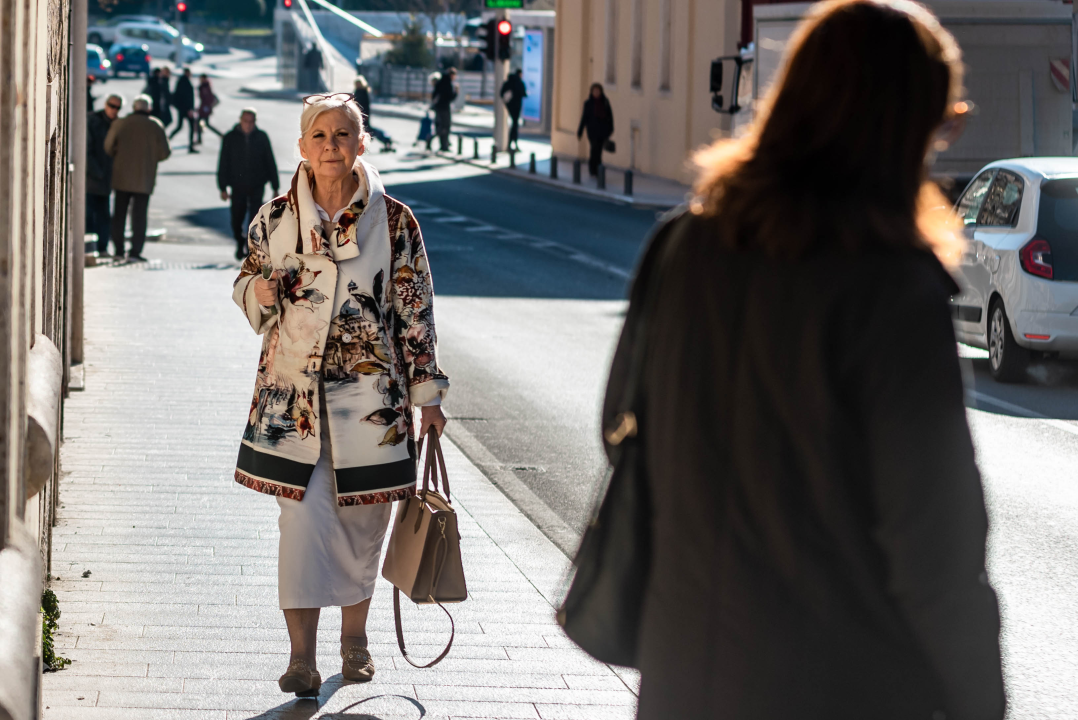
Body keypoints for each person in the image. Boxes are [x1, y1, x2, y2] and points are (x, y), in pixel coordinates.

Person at [606, 1, 1007, 718]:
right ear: (899, 127)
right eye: (942, 123)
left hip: (686, 669)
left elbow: (620, 426)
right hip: (840, 684)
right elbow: (934, 547)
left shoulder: (683, 246)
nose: (940, 144)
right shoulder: (891, 287)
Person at [231, 93, 449, 697]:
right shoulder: (274, 219)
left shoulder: (395, 222)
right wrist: (257, 293)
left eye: (343, 135)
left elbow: (415, 311)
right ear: (302, 147)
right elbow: (247, 277)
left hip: (372, 406)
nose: (332, 147)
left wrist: (429, 395)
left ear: (362, 143)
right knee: (301, 528)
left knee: (361, 526)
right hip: (291, 407)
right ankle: (301, 658)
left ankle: (355, 642)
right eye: (320, 136)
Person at [104, 94, 171, 262]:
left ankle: (118, 250)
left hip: (121, 176)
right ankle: (135, 252)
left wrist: (119, 155)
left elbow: (108, 147)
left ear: (134, 107)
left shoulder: (121, 123)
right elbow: (165, 152)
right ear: (149, 109)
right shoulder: (155, 125)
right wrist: (151, 158)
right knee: (139, 216)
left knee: (119, 214)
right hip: (144, 178)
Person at [217, 108, 279, 262]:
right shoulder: (230, 137)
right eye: (246, 121)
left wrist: (275, 186)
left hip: (257, 184)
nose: (248, 125)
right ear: (240, 120)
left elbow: (270, 161)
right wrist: (222, 187)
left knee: (254, 219)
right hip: (237, 185)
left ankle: (248, 245)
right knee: (236, 218)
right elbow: (223, 162)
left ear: (255, 122)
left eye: (251, 122)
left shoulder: (261, 137)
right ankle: (239, 240)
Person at [86, 94, 123, 257]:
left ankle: (102, 248)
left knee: (103, 216)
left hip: (107, 179)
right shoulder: (93, 121)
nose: (114, 110)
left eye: (117, 108)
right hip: (92, 178)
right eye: (112, 106)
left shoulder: (117, 124)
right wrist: (97, 172)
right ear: (106, 105)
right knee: (89, 215)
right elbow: (87, 150)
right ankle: (90, 249)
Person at [577, 83, 613, 177]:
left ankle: (598, 169)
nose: (596, 93)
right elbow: (584, 118)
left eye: (598, 91)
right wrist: (580, 131)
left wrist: (610, 129)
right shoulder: (588, 103)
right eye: (594, 91)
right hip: (592, 132)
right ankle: (593, 169)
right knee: (594, 149)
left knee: (599, 151)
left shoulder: (605, 102)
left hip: (602, 132)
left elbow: (610, 117)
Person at [352, 75, 393, 152]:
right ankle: (385, 139)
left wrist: (366, 115)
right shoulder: (357, 91)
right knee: (364, 130)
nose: (357, 84)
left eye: (359, 83)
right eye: (356, 83)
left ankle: (386, 139)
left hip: (363, 115)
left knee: (368, 130)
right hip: (358, 114)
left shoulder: (363, 91)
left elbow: (366, 105)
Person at [169, 67, 198, 152]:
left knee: (180, 127)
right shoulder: (184, 82)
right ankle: (190, 146)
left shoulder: (182, 81)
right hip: (186, 109)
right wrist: (189, 109)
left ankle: (168, 139)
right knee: (189, 127)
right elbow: (186, 97)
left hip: (183, 109)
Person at [431, 67, 457, 152]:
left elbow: (434, 94)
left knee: (440, 126)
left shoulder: (440, 81)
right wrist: (456, 92)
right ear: (452, 75)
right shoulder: (448, 83)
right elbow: (450, 97)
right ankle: (443, 145)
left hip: (438, 107)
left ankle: (441, 143)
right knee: (446, 126)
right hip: (445, 108)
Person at [500, 68, 527, 152]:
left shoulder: (508, 82)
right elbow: (523, 93)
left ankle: (511, 143)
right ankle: (513, 143)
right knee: (515, 124)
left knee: (514, 124)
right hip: (517, 107)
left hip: (510, 106)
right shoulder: (520, 83)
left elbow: (501, 93)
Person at [197, 74, 223, 142]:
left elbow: (208, 98)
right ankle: (199, 138)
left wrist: (206, 107)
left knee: (204, 123)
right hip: (204, 108)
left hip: (205, 108)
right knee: (201, 123)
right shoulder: (204, 86)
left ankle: (220, 134)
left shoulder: (205, 87)